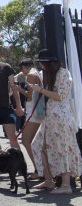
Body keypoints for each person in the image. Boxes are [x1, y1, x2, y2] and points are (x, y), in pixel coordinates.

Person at [30, 49, 82, 194]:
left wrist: (40, 90)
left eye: (43, 63)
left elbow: (60, 95)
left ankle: (66, 185)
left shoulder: (63, 73)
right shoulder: (52, 74)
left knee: (62, 148)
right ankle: (49, 180)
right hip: (52, 117)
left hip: (61, 118)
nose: (41, 66)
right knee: (39, 145)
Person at [13, 58, 43, 178]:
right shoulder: (38, 73)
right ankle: (40, 168)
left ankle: (38, 169)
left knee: (26, 140)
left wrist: (18, 89)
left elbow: (30, 94)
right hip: (37, 108)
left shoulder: (31, 75)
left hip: (33, 109)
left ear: (25, 67)